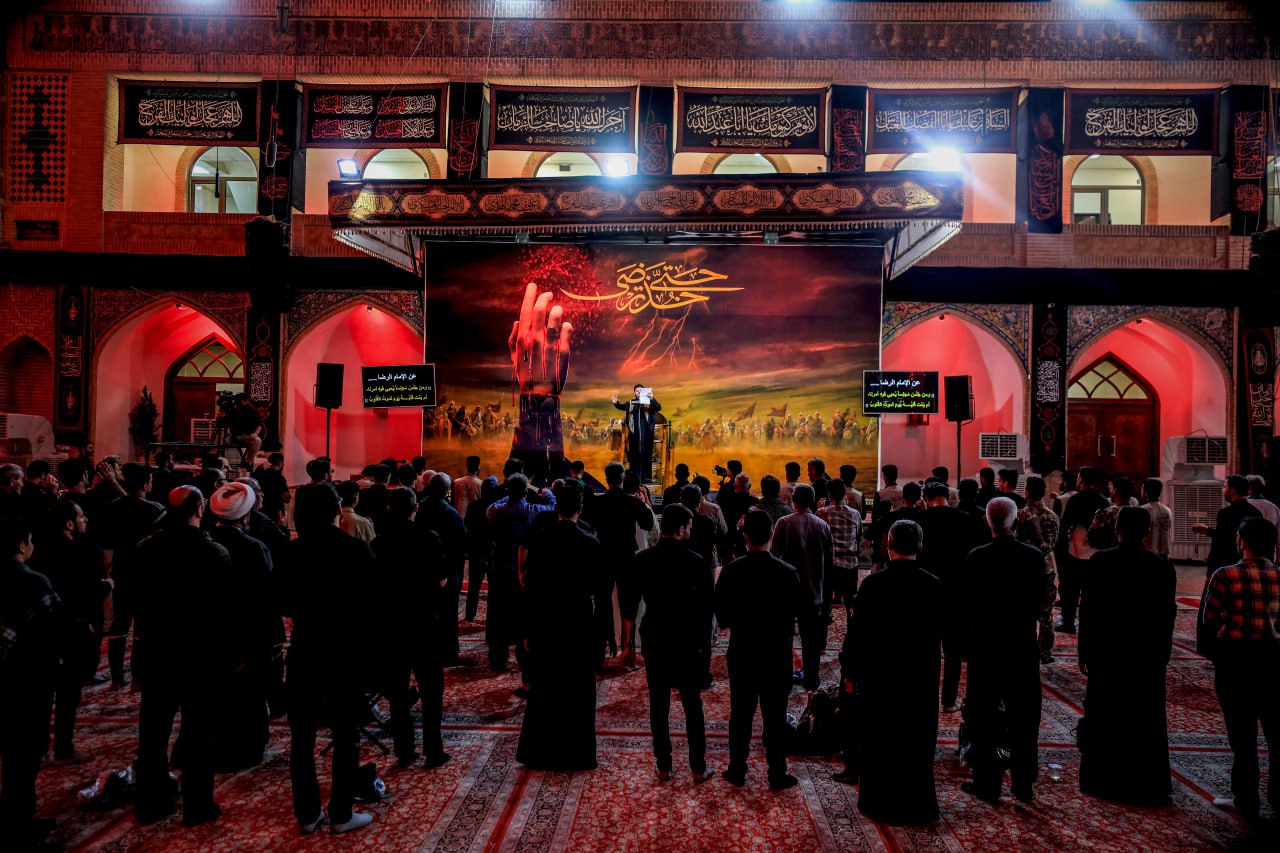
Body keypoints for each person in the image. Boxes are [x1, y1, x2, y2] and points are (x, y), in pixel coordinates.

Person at [281, 483, 380, 835]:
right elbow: (371, 603)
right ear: (335, 509)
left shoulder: (293, 551)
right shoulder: (353, 550)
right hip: (344, 651)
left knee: (302, 737)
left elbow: (283, 603)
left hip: (305, 648)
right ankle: (340, 813)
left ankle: (307, 814)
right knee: (346, 733)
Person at [133, 486, 232, 826]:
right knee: (199, 732)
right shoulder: (213, 553)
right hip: (199, 654)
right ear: (200, 509)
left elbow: (138, 601)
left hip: (157, 650)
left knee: (153, 732)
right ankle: (197, 805)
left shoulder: (147, 549)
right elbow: (222, 611)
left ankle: (149, 803)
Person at [842, 519, 945, 823]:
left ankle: (880, 802)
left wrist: (850, 672)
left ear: (889, 545)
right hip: (920, 675)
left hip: (881, 675)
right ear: (919, 546)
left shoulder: (874, 585)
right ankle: (917, 804)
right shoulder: (933, 585)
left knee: (881, 738)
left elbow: (857, 634)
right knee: (917, 739)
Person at [1077, 506, 1176, 806]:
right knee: (1145, 718)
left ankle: (1103, 778)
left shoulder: (1101, 562)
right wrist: (1163, 653)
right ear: (1147, 532)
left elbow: (1089, 611)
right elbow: (1167, 616)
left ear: (1116, 529)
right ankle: (1146, 781)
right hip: (1145, 654)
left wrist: (1085, 650)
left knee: (1107, 715)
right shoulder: (1161, 567)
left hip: (1108, 652)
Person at [620, 504, 715, 782]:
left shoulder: (642, 559)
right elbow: (706, 611)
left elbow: (630, 604)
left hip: (655, 636)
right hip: (687, 639)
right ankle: (698, 767)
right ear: (682, 528)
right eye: (689, 528)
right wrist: (705, 652)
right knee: (692, 703)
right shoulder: (695, 561)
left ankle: (663, 765)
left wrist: (628, 645)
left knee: (658, 703)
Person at [960, 497, 1045, 804]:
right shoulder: (1033, 557)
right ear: (1016, 522)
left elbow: (967, 605)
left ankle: (987, 782)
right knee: (1024, 716)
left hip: (986, 648)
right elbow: (1040, 601)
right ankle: (1023, 782)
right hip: (1021, 646)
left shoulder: (977, 557)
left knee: (983, 717)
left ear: (988, 522)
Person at [517, 480, 603, 770]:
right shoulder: (589, 542)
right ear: (581, 508)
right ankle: (576, 754)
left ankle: (540, 753)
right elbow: (599, 591)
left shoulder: (542, 540)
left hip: (547, 619)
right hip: (578, 620)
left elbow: (531, 588)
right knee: (577, 689)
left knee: (545, 686)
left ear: (557, 508)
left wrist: (528, 628)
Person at [1201, 516, 1280, 818]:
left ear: (1242, 541)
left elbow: (1209, 618)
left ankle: (1246, 798)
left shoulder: (1225, 575)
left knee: (1243, 735)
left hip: (1236, 661)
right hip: (1273, 660)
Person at [716, 510, 800, 791]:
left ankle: (737, 769)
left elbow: (722, 618)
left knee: (740, 714)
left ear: (745, 536)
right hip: (776, 652)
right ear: (772, 534)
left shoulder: (731, 571)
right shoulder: (787, 573)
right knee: (775, 715)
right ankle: (777, 773)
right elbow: (794, 615)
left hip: (743, 650)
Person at [374, 487, 450, 769]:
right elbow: (442, 579)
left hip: (392, 623)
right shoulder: (428, 538)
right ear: (415, 508)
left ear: (390, 509)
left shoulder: (379, 543)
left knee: (398, 692)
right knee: (431, 690)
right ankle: (433, 749)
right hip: (424, 621)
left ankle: (404, 751)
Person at [207, 482, 278, 772]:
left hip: (210, 633)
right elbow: (265, 598)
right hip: (246, 635)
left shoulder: (203, 543)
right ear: (246, 516)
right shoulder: (253, 548)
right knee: (248, 695)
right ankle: (247, 749)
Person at [0, 517, 60, 848]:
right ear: (22, 545)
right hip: (27, 678)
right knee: (25, 750)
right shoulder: (32, 582)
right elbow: (55, 626)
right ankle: (19, 823)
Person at [35, 500, 108, 765]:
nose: (84, 520)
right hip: (72, 628)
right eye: (80, 517)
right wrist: (107, 586)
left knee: (42, 695)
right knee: (68, 692)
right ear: (69, 523)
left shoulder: (40, 551)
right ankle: (63, 747)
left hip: (44, 631)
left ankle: (39, 748)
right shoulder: (76, 553)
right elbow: (86, 590)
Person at [917, 481, 983, 712]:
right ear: (948, 497)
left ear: (926, 499)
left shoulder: (920, 520)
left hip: (926, 593)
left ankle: (923, 699)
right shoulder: (967, 520)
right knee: (953, 653)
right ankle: (948, 700)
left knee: (925, 650)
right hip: (957, 593)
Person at [100, 462, 166, 689]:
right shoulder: (155, 509)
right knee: (143, 628)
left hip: (121, 573)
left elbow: (107, 546)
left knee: (119, 625)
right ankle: (138, 678)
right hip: (147, 575)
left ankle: (116, 678)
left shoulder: (112, 507)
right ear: (146, 484)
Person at [771, 484, 833, 692]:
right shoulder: (822, 525)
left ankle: (784, 680)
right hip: (813, 590)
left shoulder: (783, 523)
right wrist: (827, 594)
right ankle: (811, 680)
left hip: (786, 592)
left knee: (784, 638)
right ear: (812, 501)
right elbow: (829, 564)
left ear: (793, 501)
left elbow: (775, 557)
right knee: (811, 641)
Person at [487, 474, 547, 683]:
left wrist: (509, 495)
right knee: (523, 617)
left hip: (500, 568)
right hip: (522, 571)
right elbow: (553, 506)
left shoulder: (498, 510)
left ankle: (497, 657)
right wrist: (542, 492)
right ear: (526, 492)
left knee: (498, 615)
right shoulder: (533, 510)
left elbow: (490, 509)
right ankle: (523, 661)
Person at [1193, 475, 1262, 655]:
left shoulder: (1226, 513)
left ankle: (1211, 648)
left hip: (1223, 567)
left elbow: (1222, 543)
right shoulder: (1255, 513)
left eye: (1224, 487)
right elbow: (1231, 536)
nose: (1223, 490)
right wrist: (1207, 531)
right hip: (1246, 565)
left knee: (1213, 609)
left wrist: (1210, 572)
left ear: (1232, 490)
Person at [593, 462, 654, 663]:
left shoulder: (598, 502)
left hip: (603, 555)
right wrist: (643, 504)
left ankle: (600, 649)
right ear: (623, 478)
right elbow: (648, 524)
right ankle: (628, 649)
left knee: (601, 603)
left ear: (606, 479)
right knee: (629, 604)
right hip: (627, 555)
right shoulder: (632, 502)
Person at [1055, 467, 1110, 634]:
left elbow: (1064, 525)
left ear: (1081, 479)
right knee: (1090, 591)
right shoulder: (1103, 501)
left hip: (1075, 550)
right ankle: (1089, 623)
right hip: (1095, 552)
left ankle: (1069, 622)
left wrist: (1060, 549)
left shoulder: (1076, 499)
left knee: (1070, 590)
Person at [1015, 476, 1060, 665]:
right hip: (1048, 566)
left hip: (1026, 566)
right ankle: (1045, 652)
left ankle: (1023, 648)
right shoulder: (1053, 516)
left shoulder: (1022, 515)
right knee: (1046, 613)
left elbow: (1016, 539)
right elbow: (1054, 541)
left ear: (1027, 492)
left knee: (1023, 611)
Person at [817, 478, 860, 611]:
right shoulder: (855, 514)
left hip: (828, 565)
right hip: (850, 564)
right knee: (851, 602)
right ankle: (851, 621)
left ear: (829, 494)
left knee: (825, 600)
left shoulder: (821, 512)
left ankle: (826, 616)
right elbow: (858, 537)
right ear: (844, 494)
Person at [464, 476, 500, 622]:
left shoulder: (474, 505)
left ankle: (469, 614)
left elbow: (467, 526)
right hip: (492, 549)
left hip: (476, 548)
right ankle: (493, 615)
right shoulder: (498, 507)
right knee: (494, 585)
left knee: (473, 584)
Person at [612, 384, 662, 477]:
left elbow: (658, 408)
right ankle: (634, 476)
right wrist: (616, 403)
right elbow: (622, 407)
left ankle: (645, 476)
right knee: (634, 456)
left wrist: (652, 398)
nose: (639, 392)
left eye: (640, 390)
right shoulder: (631, 403)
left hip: (646, 435)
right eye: (637, 391)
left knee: (646, 455)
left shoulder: (649, 403)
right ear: (634, 393)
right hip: (634, 435)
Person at [251, 452, 291, 525]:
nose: (284, 465)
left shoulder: (260, 474)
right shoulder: (279, 478)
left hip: (261, 512)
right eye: (283, 463)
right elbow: (286, 498)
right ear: (280, 463)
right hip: (275, 514)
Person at [1141, 477, 1172, 559]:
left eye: (1142, 489)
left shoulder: (1143, 510)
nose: (1141, 492)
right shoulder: (1168, 510)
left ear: (1146, 493)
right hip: (1164, 554)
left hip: (1149, 554)